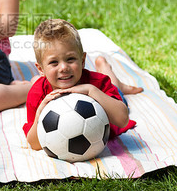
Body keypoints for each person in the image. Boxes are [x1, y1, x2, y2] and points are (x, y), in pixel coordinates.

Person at [23, 19, 142, 150]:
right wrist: (40, 112)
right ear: (41, 69)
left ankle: (106, 69)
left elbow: (122, 119)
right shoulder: (38, 94)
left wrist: (91, 90)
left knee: (115, 88)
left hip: (109, 94)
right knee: (37, 82)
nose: (63, 68)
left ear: (83, 60)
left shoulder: (97, 83)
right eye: (54, 63)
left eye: (70, 59)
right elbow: (34, 144)